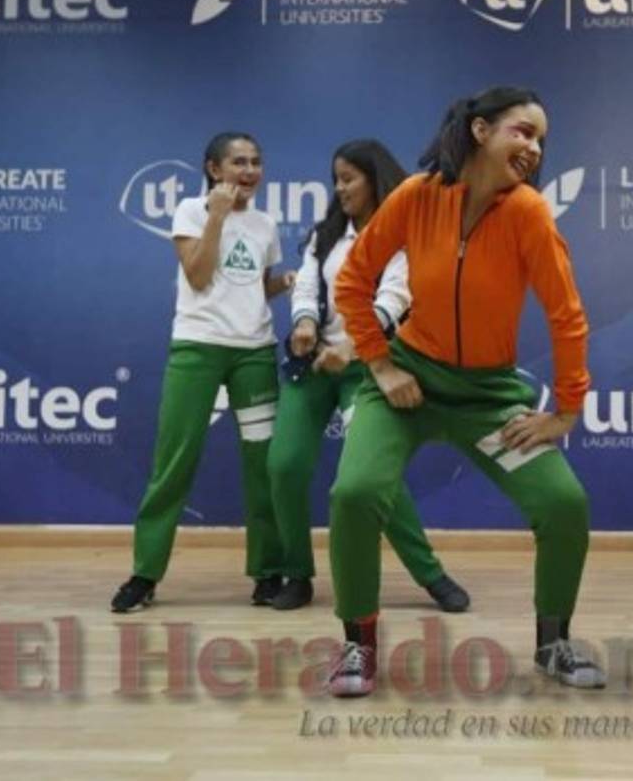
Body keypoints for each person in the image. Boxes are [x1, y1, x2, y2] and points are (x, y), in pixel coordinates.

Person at [324, 86, 604, 697]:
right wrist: (381, 366)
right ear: (480, 130)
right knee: (355, 493)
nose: (534, 148)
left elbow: (566, 316)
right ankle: (357, 648)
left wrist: (566, 411)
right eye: (522, 131)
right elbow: (352, 283)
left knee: (564, 504)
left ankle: (554, 643)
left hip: (488, 397)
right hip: (408, 386)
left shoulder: (529, 213)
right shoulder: (416, 196)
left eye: (541, 139)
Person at [266, 139, 470, 612]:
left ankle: (430, 574)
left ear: (375, 179)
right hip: (315, 364)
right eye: (336, 180)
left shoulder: (404, 233)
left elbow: (394, 300)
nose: (340, 189)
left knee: (371, 476)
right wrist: (304, 323)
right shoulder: (326, 234)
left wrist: (350, 348)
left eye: (348, 179)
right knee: (284, 465)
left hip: (369, 366)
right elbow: (307, 284)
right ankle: (296, 574)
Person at [111, 132, 295, 612]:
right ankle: (145, 574)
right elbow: (198, 275)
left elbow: (252, 286)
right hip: (197, 349)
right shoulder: (192, 211)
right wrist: (217, 216)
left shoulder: (266, 224)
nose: (250, 171)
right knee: (174, 463)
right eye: (239, 162)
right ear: (214, 169)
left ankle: (268, 572)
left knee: (264, 468)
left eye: (256, 162)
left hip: (254, 354)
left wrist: (286, 282)